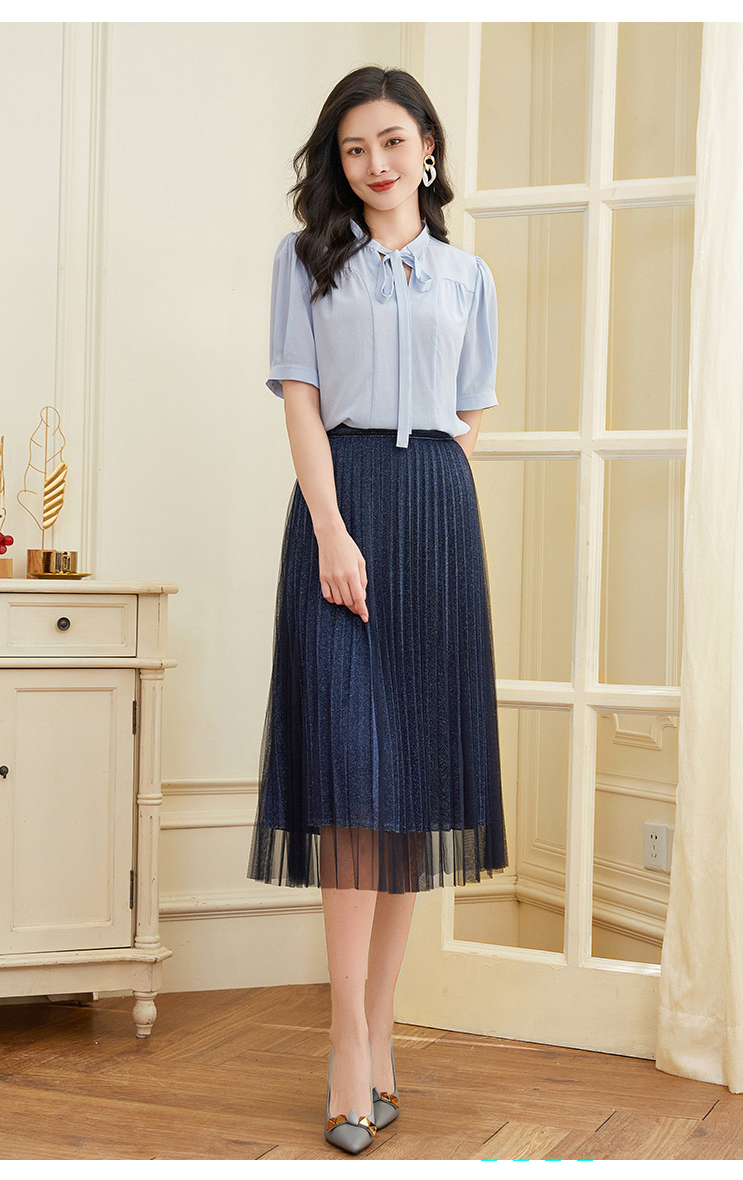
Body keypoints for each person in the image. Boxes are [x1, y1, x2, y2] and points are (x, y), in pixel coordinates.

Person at [248, 65, 507, 1155]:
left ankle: (382, 1030)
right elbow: (301, 404)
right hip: (340, 506)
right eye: (354, 148)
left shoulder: (467, 275)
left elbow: (470, 414)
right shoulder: (307, 260)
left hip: (435, 516)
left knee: (406, 794)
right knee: (353, 785)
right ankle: (346, 1039)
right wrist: (334, 528)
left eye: (392, 141)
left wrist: (429, 513)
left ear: (428, 147)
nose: (375, 164)